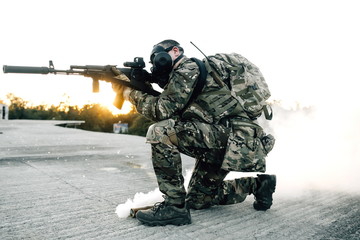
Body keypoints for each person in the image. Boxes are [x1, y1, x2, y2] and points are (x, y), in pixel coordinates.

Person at [112, 39, 276, 226]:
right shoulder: (189, 76)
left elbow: (162, 110)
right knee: (199, 200)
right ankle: (258, 185)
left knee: (161, 132)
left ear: (175, 51)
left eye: (158, 56)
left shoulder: (187, 68)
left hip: (232, 136)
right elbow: (172, 103)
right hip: (235, 139)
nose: (157, 63)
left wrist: (129, 93)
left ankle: (174, 208)